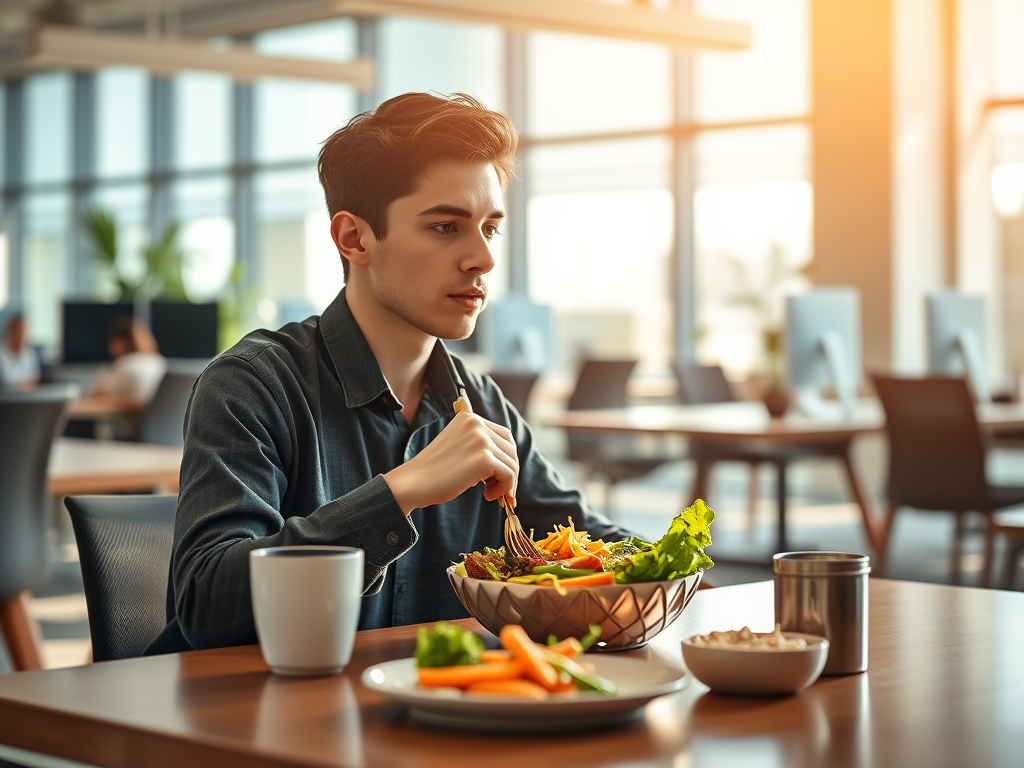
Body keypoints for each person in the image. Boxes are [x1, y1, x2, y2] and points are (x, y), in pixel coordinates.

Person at [147, 92, 634, 655]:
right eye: (446, 227)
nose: (483, 259)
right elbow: (206, 602)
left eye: (490, 229)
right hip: (256, 722)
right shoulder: (252, 386)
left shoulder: (481, 402)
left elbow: (596, 545)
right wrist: (398, 494)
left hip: (425, 724)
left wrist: (708, 585)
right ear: (354, 238)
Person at [92, 317, 167, 404]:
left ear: (121, 342)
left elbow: (99, 394)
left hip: (136, 416)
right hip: (162, 416)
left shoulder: (126, 363)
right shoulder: (159, 361)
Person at [0, 313, 40, 388]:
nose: (22, 335)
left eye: (24, 331)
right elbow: (6, 382)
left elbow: (34, 380)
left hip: (28, 396)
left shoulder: (30, 352)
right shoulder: (1, 353)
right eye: (18, 331)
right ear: (10, 332)